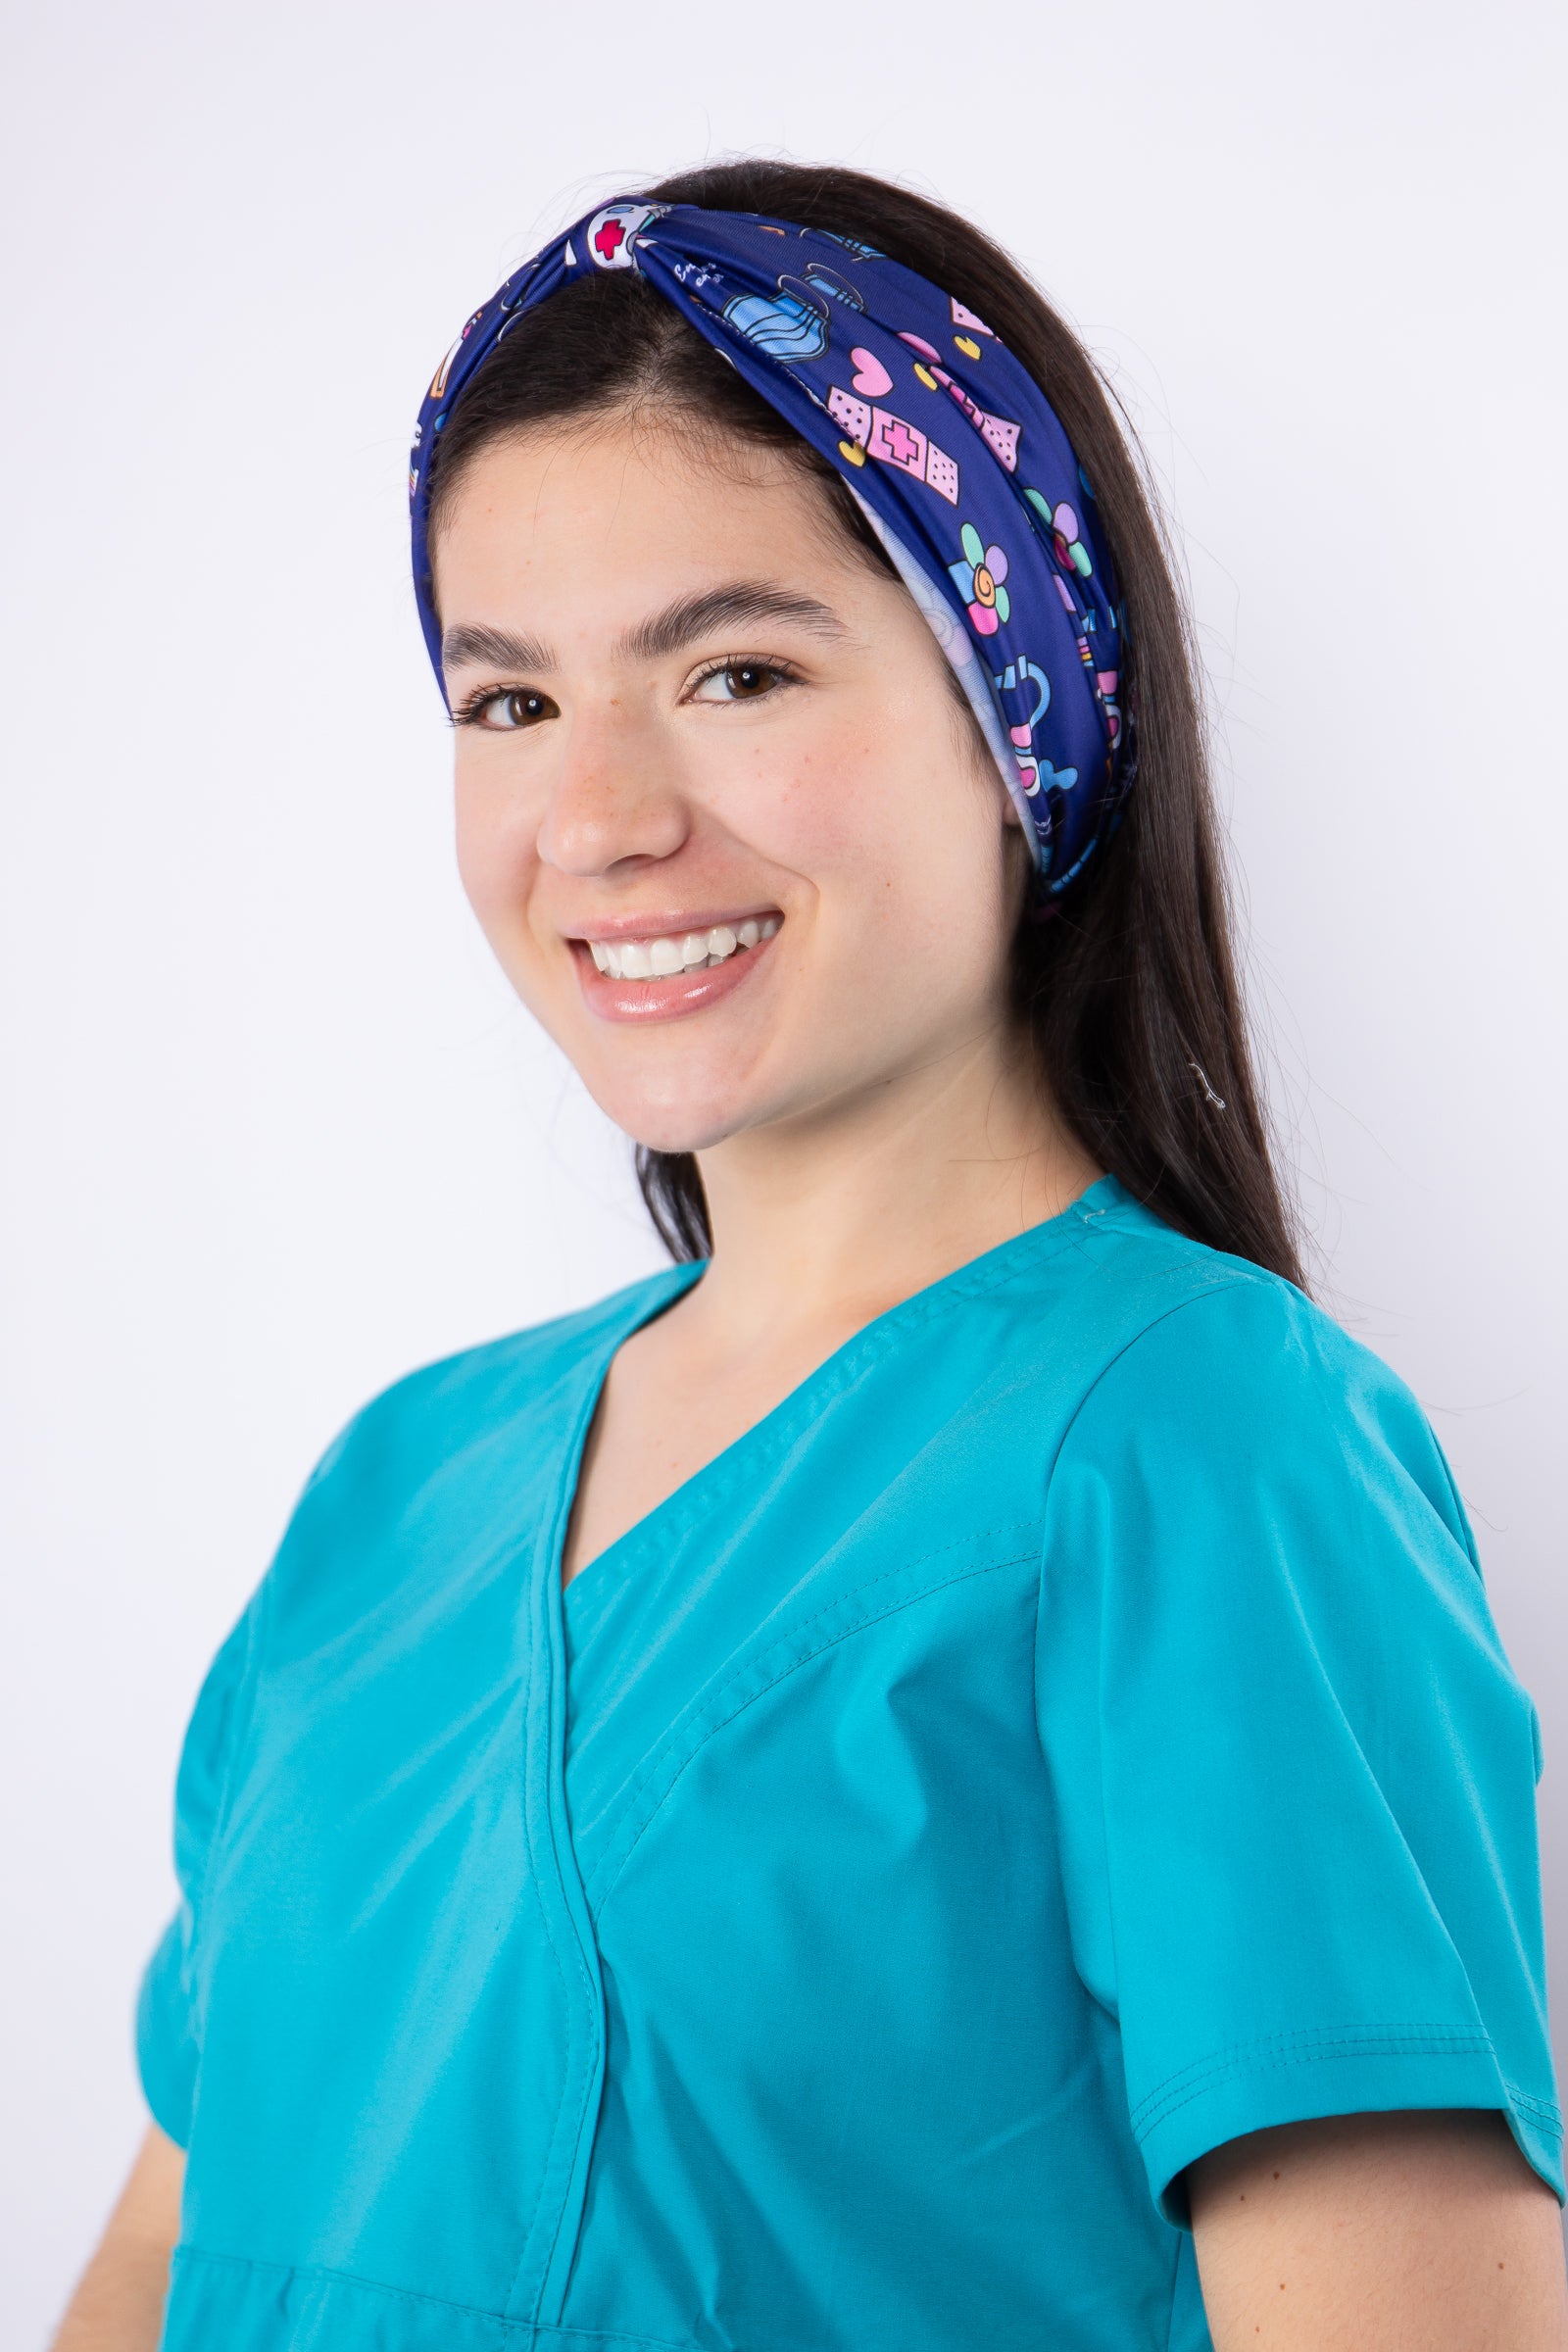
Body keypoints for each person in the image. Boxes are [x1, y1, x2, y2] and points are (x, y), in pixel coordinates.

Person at [54, 158, 1565, 2352]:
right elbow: (152, 2266)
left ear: (1024, 718)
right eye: (509, 703)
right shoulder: (397, 1488)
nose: (599, 820)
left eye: (736, 671)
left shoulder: (1198, 1446)